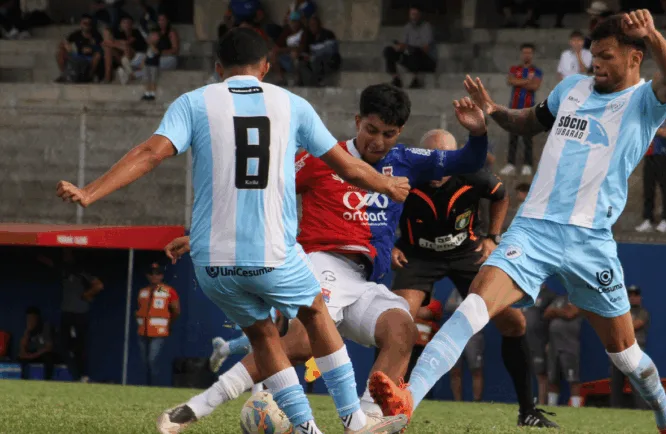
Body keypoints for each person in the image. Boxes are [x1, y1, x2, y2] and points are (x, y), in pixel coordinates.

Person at [55, 27, 411, 434]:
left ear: (218, 68)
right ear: (266, 67)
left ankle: (308, 431)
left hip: (211, 261)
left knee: (263, 336)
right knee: (315, 313)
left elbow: (151, 152)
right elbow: (346, 167)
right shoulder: (292, 104)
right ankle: (354, 420)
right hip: (271, 252)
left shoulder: (193, 102)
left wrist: (89, 192)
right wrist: (386, 185)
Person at [369, 10, 666, 434]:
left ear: (635, 57)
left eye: (607, 56)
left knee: (626, 355)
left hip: (590, 240)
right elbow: (529, 122)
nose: (596, 63)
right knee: (473, 308)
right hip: (534, 229)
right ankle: (407, 399)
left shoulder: (644, 101)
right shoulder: (573, 88)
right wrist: (492, 110)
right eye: (594, 55)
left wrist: (652, 34)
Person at [155, 82, 489, 432]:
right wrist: (202, 235)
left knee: (402, 329)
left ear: (400, 131)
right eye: (371, 130)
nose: (377, 141)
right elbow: (260, 191)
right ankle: (194, 408)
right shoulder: (321, 159)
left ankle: (365, 421)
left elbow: (468, 160)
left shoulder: (406, 161)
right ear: (358, 121)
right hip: (320, 263)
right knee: (298, 344)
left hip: (363, 281)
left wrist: (479, 132)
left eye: (388, 134)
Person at [389, 128, 557, 427]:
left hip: (466, 251)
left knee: (514, 322)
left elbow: (501, 196)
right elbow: (378, 207)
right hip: (417, 254)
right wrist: (387, 244)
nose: (439, 168)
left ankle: (527, 410)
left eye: (447, 160)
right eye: (432, 160)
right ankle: (385, 410)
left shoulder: (473, 173)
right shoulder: (405, 176)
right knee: (397, 322)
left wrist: (493, 236)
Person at [38, 248, 103, 382]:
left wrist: (87, 295)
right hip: (66, 313)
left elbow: (99, 285)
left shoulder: (82, 271)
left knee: (80, 346)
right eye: (64, 253)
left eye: (68, 253)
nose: (66, 255)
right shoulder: (63, 269)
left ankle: (83, 375)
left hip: (79, 313)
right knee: (63, 345)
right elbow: (50, 263)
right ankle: (75, 375)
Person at [501, 43, 542, 177]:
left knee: (527, 138)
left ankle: (528, 165)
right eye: (524, 52)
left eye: (529, 53)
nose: (527, 55)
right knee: (513, 137)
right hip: (513, 108)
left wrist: (519, 81)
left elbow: (535, 86)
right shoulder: (514, 68)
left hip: (529, 108)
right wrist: (526, 81)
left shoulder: (537, 71)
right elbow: (510, 80)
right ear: (521, 54)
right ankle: (510, 164)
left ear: (533, 54)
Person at [136, 262, 180, 386]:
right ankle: (147, 385)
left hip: (158, 331)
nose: (154, 277)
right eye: (151, 274)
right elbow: (139, 309)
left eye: (157, 274)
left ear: (161, 276)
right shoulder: (143, 292)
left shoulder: (168, 291)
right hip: (143, 331)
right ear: (148, 276)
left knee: (152, 359)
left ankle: (155, 385)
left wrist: (168, 324)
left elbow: (176, 310)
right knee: (145, 361)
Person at [635, 111, 666, 233]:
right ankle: (648, 219)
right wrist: (659, 130)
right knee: (648, 190)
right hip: (649, 155)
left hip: (663, 155)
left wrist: (653, 130)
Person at [611, 285, 650, 409]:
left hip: (635, 351)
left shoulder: (642, 312)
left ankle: (641, 409)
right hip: (620, 350)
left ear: (640, 298)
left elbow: (634, 326)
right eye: (630, 295)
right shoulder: (621, 311)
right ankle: (614, 409)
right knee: (616, 382)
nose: (632, 298)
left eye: (635, 295)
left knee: (637, 382)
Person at [445, 289, 484, 403]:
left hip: (474, 335)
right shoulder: (456, 291)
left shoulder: (479, 291)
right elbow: (448, 306)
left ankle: (477, 401)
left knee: (476, 369)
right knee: (455, 370)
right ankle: (458, 401)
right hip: (456, 335)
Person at [383, 6, 436, 89]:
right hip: (410, 56)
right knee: (388, 51)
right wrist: (399, 47)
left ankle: (416, 79)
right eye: (412, 14)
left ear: (420, 15)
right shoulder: (408, 27)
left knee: (415, 51)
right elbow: (403, 45)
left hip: (425, 60)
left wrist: (411, 48)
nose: (413, 17)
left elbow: (426, 49)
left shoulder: (426, 27)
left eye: (415, 14)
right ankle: (396, 78)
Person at [521, 284, 557, 406]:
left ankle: (542, 403)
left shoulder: (549, 295)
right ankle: (526, 401)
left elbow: (552, 320)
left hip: (540, 341)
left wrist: (549, 341)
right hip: (524, 339)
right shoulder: (525, 294)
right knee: (523, 372)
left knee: (541, 374)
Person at [544, 294, 582, 407]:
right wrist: (561, 311)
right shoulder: (559, 299)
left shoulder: (581, 298)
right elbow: (546, 313)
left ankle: (576, 407)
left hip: (569, 345)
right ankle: (552, 405)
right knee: (552, 378)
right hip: (554, 345)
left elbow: (570, 314)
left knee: (572, 378)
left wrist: (555, 312)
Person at [55, 14, 103, 83]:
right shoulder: (76, 34)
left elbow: (102, 47)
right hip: (78, 56)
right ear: (81, 24)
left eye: (89, 23)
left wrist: (92, 49)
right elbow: (62, 43)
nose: (87, 25)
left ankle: (89, 76)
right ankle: (65, 75)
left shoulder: (96, 34)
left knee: (98, 55)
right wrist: (66, 46)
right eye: (85, 23)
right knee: (59, 53)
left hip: (90, 58)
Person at [18, 306, 56, 380]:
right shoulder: (29, 328)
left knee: (48, 358)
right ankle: (23, 379)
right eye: (28, 319)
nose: (30, 321)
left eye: (32, 318)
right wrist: (27, 332)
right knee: (21, 358)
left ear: (37, 318)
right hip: (36, 354)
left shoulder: (46, 326)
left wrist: (32, 356)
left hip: (48, 353)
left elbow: (49, 348)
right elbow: (22, 347)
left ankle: (48, 380)